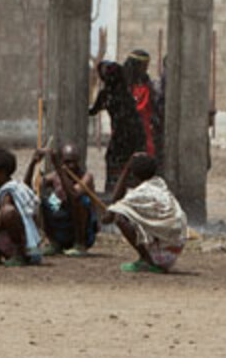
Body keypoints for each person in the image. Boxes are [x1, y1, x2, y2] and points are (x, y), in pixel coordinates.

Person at [105, 153, 188, 274]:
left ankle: (147, 261)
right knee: (138, 219)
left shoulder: (139, 194)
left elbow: (108, 217)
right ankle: (150, 259)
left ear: (133, 175)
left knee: (120, 218)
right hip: (173, 253)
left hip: (161, 256)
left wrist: (126, 170)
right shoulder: (160, 185)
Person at [31, 142, 99, 255]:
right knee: (41, 202)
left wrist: (59, 169)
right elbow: (35, 186)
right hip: (62, 229)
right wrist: (34, 163)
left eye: (74, 162)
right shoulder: (54, 176)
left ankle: (79, 245)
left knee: (80, 201)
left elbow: (73, 194)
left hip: (83, 232)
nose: (71, 166)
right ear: (61, 161)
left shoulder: (86, 177)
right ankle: (54, 243)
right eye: (67, 162)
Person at [89, 59, 145, 190]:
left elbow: (93, 110)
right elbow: (94, 110)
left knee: (117, 161)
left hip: (126, 134)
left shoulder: (113, 94)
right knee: (119, 162)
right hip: (128, 134)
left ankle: (117, 188)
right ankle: (118, 188)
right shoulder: (120, 93)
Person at [127, 49, 163, 162]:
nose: (146, 69)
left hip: (145, 128)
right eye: (143, 66)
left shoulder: (148, 84)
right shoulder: (125, 85)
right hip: (128, 128)